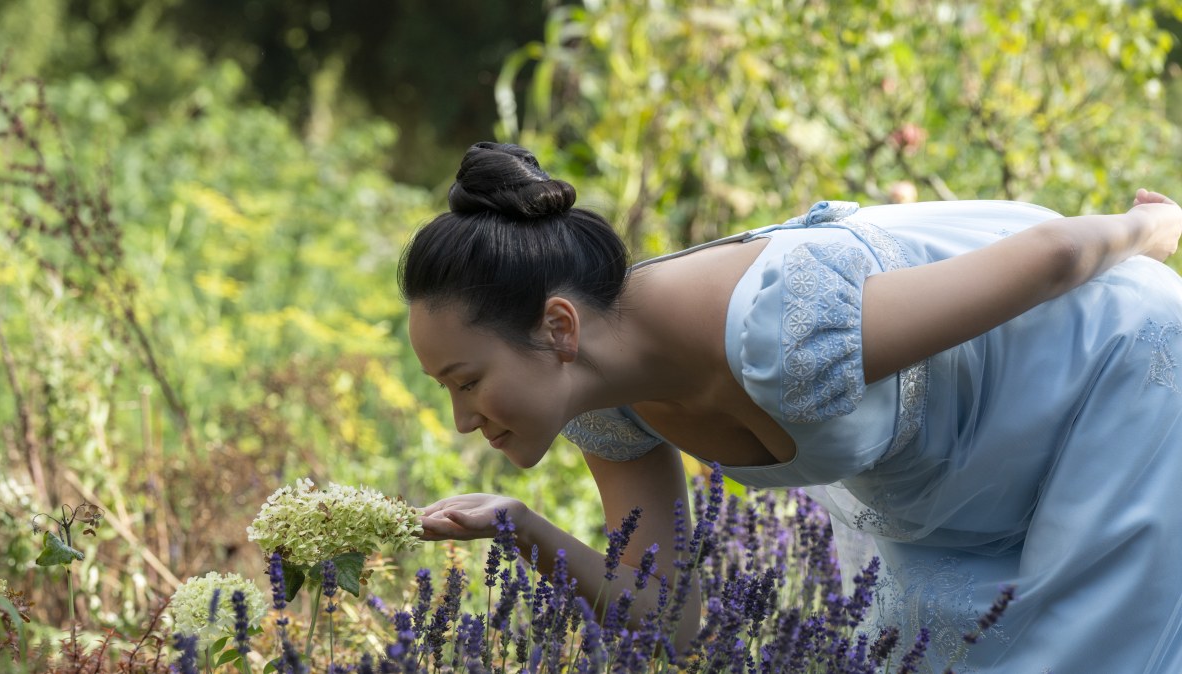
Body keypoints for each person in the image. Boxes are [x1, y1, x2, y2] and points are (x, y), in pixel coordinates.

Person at [401, 142, 1182, 672]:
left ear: (558, 327)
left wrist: (1154, 225)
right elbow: (670, 619)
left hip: (1113, 367)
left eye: (465, 380)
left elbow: (1052, 258)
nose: (464, 419)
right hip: (969, 473)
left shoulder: (782, 332)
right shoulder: (608, 406)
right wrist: (520, 527)